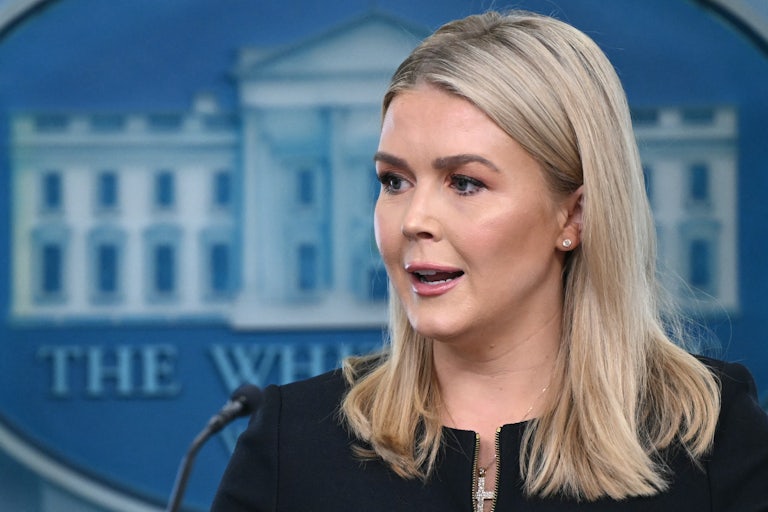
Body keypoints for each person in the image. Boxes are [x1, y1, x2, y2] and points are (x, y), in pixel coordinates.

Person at [211, 10, 768, 511]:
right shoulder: (293, 441)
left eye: (465, 183)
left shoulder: (711, 436)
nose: (413, 220)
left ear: (573, 217)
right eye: (394, 180)